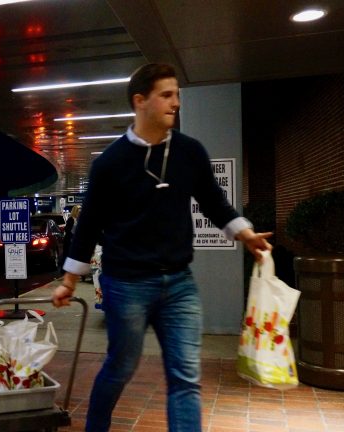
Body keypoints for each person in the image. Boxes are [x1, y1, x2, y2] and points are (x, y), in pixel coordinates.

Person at [52, 63, 273, 432]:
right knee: (121, 366)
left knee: (185, 378)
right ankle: (96, 425)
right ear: (140, 101)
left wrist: (243, 232)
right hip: (127, 284)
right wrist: (70, 281)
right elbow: (89, 224)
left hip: (179, 284)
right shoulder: (110, 163)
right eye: (166, 95)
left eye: (178, 95)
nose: (176, 103)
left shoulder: (189, 152)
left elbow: (213, 201)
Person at [62, 205, 81, 269]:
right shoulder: (71, 219)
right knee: (68, 255)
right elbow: (67, 229)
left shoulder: (78, 220)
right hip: (69, 240)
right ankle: (65, 269)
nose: (80, 213)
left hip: (74, 240)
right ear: (75, 211)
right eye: (78, 211)